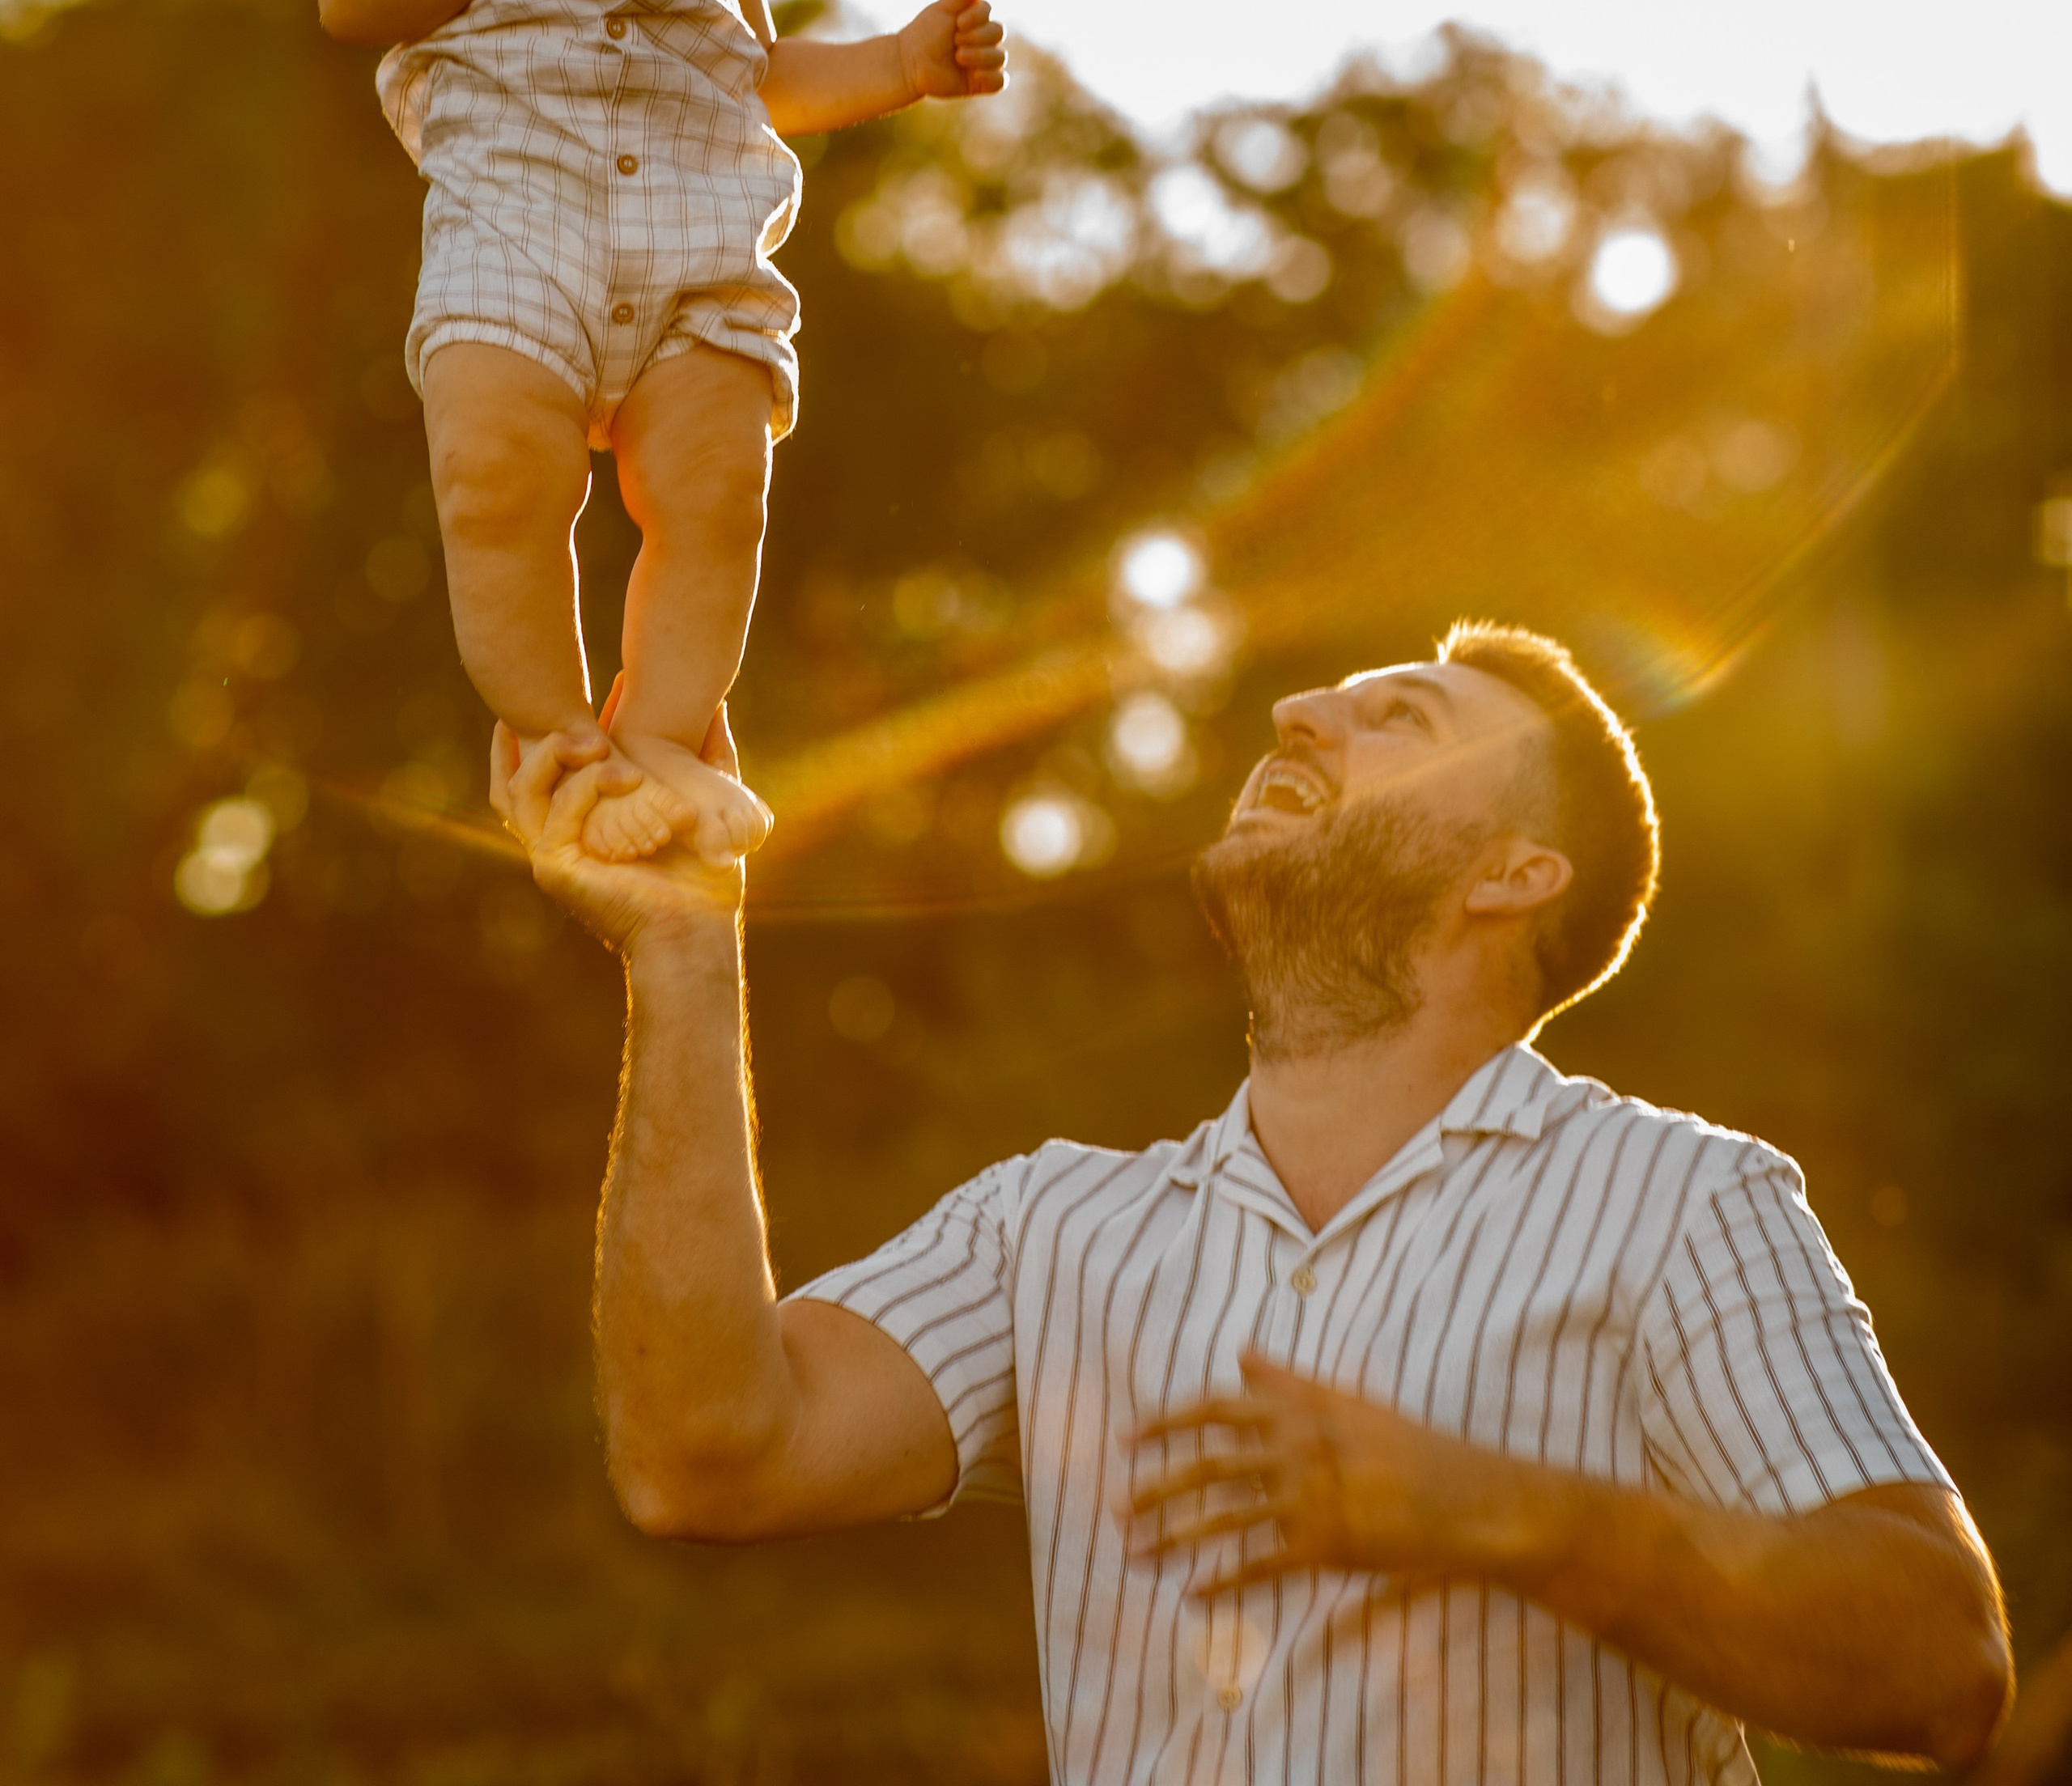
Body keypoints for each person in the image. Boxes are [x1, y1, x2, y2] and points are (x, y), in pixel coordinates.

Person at [496, 618, 2014, 1780]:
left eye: (1396, 716)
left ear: (1512, 871)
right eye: (1325, 701)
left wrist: (1512, 1514)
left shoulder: (1683, 1201)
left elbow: (1944, 1660)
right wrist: (686, 957)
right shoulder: (1051, 1229)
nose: (1299, 712)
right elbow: (705, 1459)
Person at [316, 0, 1004, 863]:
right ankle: (553, 721)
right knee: (498, 477)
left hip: (696, 256)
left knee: (718, 492)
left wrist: (902, 63)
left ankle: (659, 742)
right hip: (519, 229)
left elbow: (756, 77)